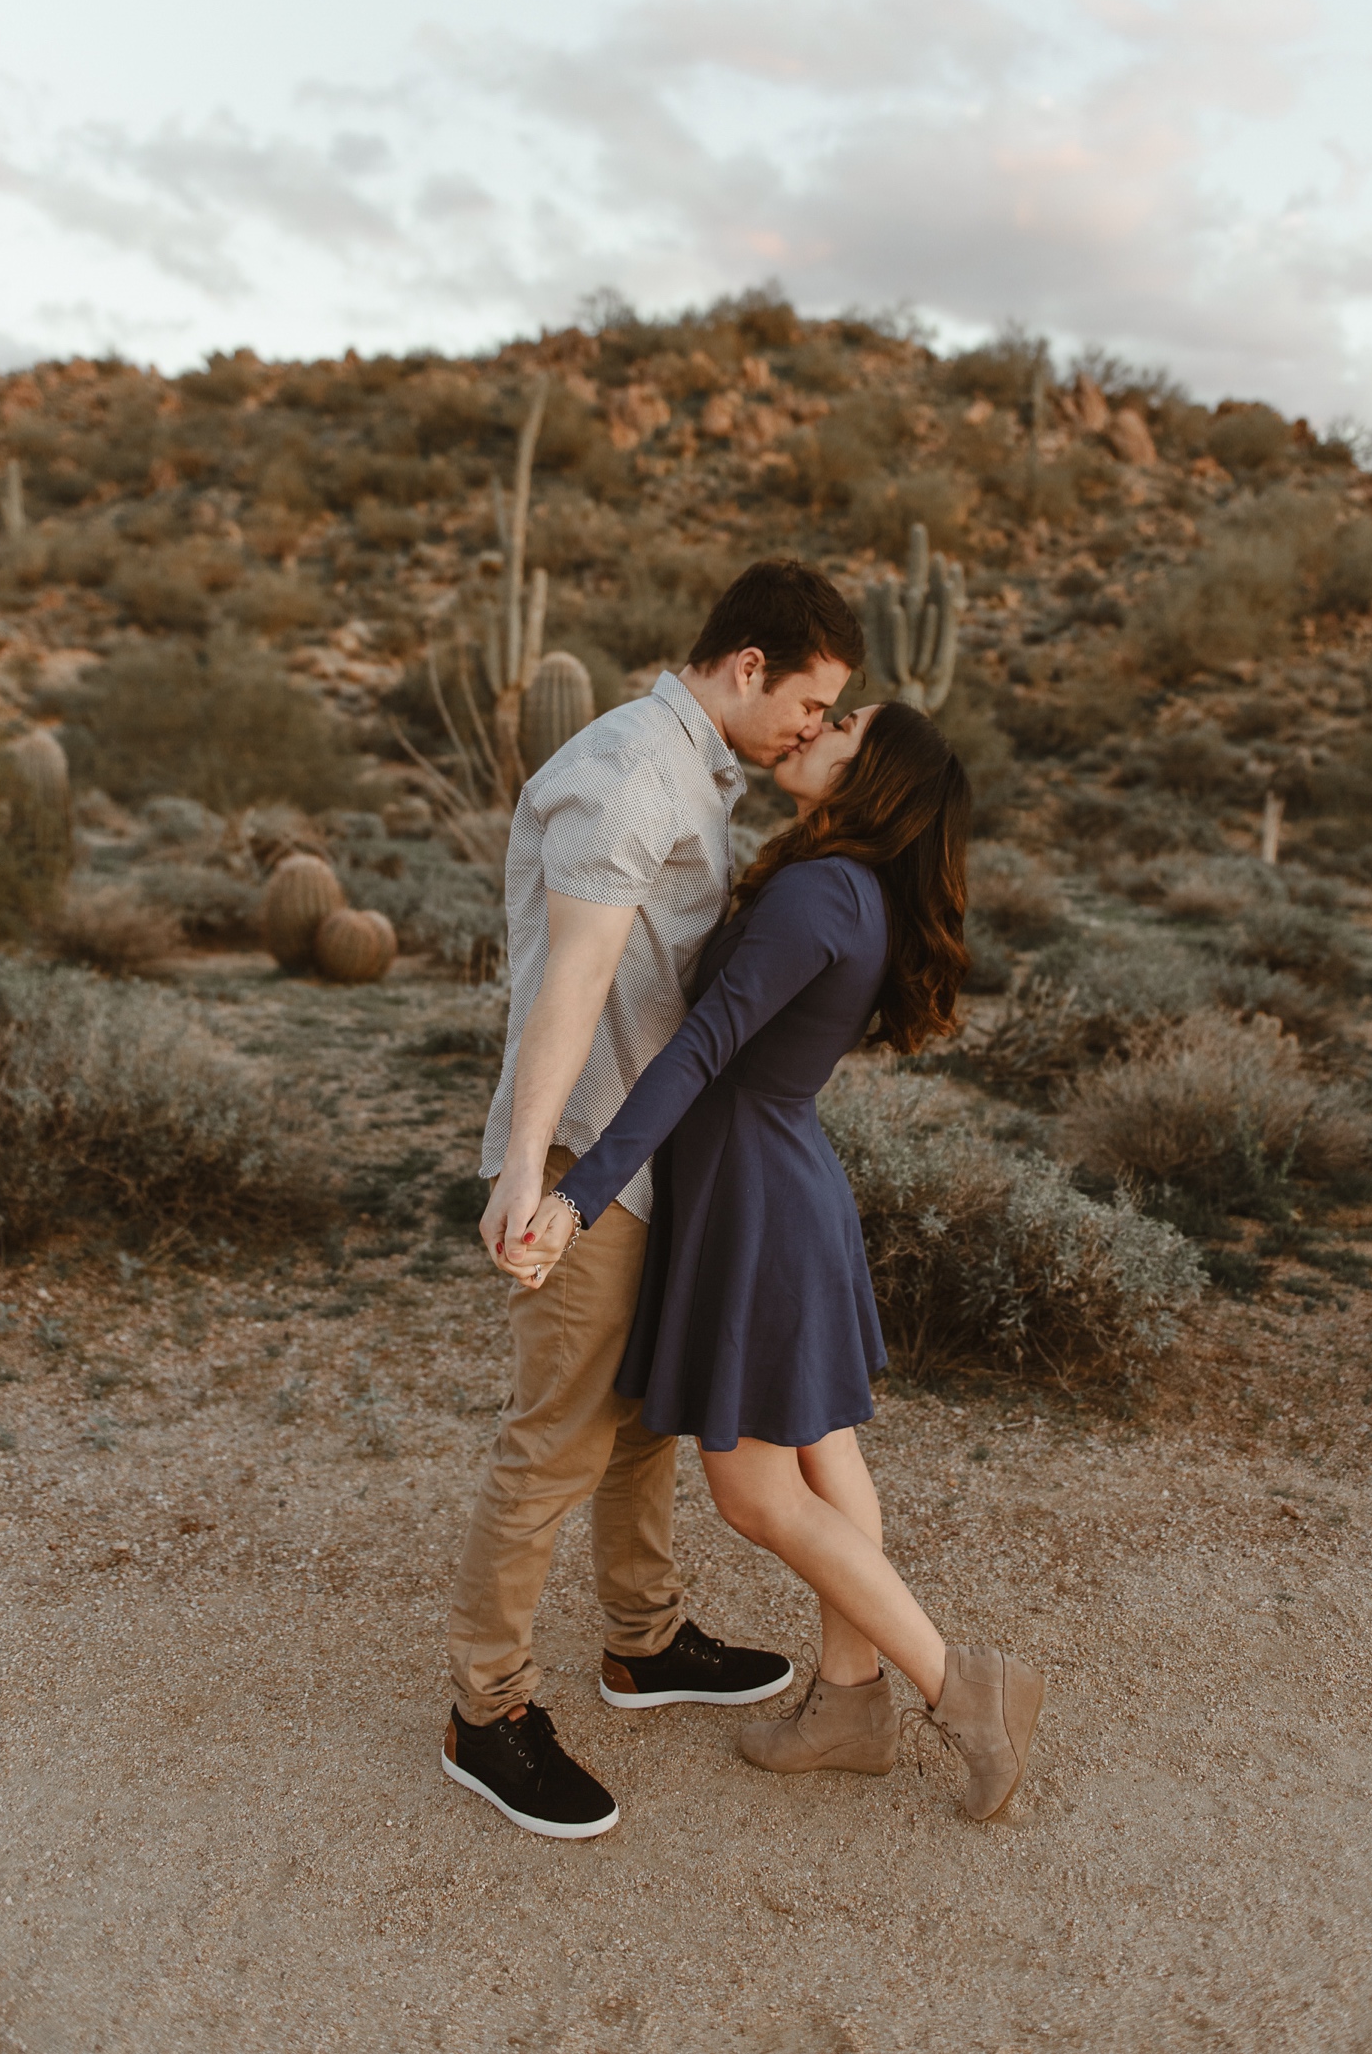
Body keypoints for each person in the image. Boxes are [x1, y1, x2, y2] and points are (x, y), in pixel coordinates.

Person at [515, 698, 1045, 1825]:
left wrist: (579, 1187)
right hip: (780, 1183)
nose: (816, 729)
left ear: (874, 779)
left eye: (841, 728)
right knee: (823, 1454)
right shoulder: (855, 889)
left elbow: (701, 1049)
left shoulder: (816, 892)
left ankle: (962, 1686)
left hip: (754, 1198)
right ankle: (852, 1701)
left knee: (756, 1489)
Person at [443, 558, 865, 1840]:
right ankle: (487, 1708)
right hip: (585, 1155)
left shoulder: (698, 766)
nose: (816, 729)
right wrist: (533, 1174)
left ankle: (642, 1638)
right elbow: (570, 980)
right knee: (556, 1436)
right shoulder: (632, 771)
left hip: (643, 1147)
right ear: (751, 666)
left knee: (637, 1421)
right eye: (814, 701)